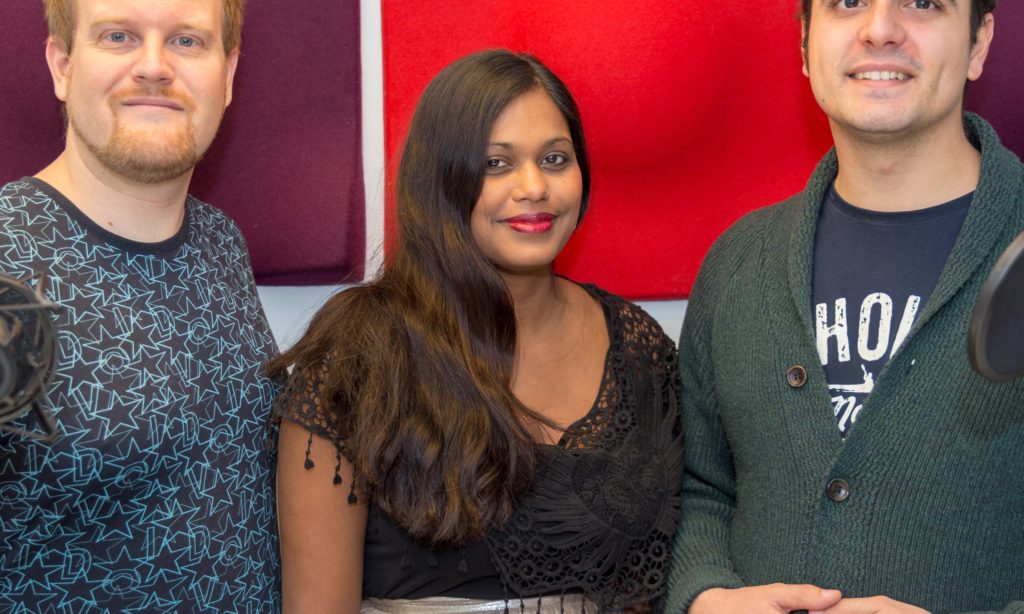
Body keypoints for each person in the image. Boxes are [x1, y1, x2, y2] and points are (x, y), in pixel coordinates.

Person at [270, 49, 683, 614]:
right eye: (496, 163)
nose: (533, 186)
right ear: (441, 180)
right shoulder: (357, 356)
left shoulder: (637, 347)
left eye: (555, 159)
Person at [666, 0, 1024, 612]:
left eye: (923, 3)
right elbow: (702, 489)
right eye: (848, 2)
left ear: (979, 42)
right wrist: (705, 597)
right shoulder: (738, 262)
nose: (880, 29)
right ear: (806, 43)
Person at [0, 0, 280, 610]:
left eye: (187, 41)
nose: (154, 66)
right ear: (62, 65)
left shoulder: (220, 241)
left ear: (228, 75)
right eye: (119, 36)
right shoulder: (7, 260)